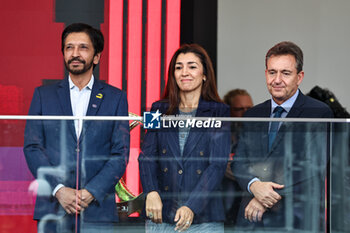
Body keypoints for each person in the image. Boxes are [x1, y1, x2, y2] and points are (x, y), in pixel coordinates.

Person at [23, 23, 130, 233]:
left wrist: (91, 192)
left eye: (83, 47)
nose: (75, 54)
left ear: (97, 56)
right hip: (54, 207)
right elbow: (33, 147)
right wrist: (59, 190)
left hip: (97, 208)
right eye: (69, 47)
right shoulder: (44, 96)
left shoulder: (115, 98)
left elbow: (121, 153)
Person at [231, 41, 333, 231]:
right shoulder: (253, 114)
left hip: (295, 220)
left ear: (299, 77)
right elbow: (239, 161)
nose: (277, 79)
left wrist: (264, 198)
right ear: (265, 74)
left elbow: (311, 166)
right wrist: (254, 186)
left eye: (285, 73)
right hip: (251, 221)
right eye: (272, 72)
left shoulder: (318, 112)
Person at [138, 44, 230, 232]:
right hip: (161, 213)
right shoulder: (157, 109)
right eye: (178, 67)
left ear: (205, 74)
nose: (184, 72)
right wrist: (151, 191)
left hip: (204, 217)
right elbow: (146, 156)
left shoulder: (220, 111)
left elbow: (217, 165)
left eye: (192, 66)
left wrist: (191, 206)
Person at [221, 89, 253, 225]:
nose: (246, 113)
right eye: (239, 109)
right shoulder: (218, 135)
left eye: (249, 109)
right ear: (229, 111)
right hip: (223, 197)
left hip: (251, 196)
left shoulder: (259, 134)